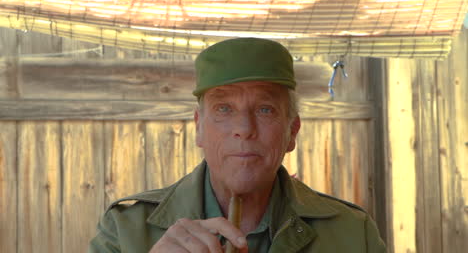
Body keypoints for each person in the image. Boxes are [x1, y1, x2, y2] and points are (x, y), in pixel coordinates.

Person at [88, 38, 386, 253]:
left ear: (292, 131)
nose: (244, 129)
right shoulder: (126, 230)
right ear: (199, 128)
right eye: (224, 109)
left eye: (265, 109)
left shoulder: (351, 234)